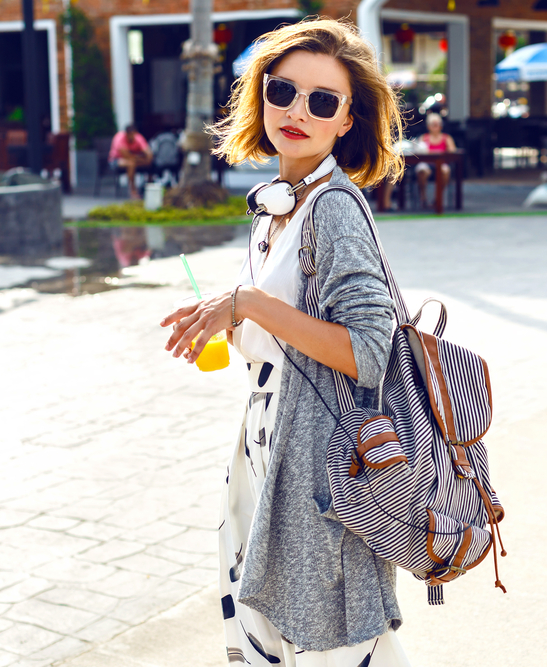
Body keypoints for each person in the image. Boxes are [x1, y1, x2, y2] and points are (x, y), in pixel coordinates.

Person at [159, 18, 410, 666]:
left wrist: (249, 303)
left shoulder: (334, 206)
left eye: (321, 100)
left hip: (317, 458)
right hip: (266, 446)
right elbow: (286, 326)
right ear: (261, 95)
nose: (297, 110)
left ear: (346, 118)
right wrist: (228, 321)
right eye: (283, 91)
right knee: (270, 631)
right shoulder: (279, 206)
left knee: (330, 641)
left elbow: (368, 350)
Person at [413, 112, 457, 209]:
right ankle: (423, 197)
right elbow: (418, 152)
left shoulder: (446, 138)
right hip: (426, 163)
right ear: (428, 126)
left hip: (441, 164)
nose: (435, 127)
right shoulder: (423, 138)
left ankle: (438, 198)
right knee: (422, 170)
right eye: (433, 125)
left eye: (437, 125)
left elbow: (453, 152)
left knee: (445, 171)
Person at [108, 124, 153, 199]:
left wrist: (147, 158)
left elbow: (148, 152)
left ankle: (149, 189)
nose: (134, 137)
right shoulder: (120, 137)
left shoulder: (138, 137)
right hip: (115, 160)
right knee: (131, 164)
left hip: (134, 159)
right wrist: (140, 159)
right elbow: (126, 156)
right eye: (131, 135)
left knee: (150, 163)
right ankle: (133, 191)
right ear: (127, 134)